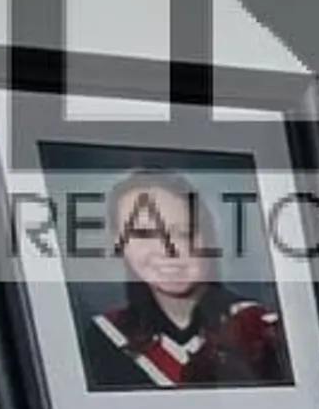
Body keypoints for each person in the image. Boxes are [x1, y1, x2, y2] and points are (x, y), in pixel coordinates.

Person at [79, 166, 293, 389]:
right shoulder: (102, 341)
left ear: (207, 238)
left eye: (182, 232)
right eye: (143, 234)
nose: (167, 250)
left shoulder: (263, 332)